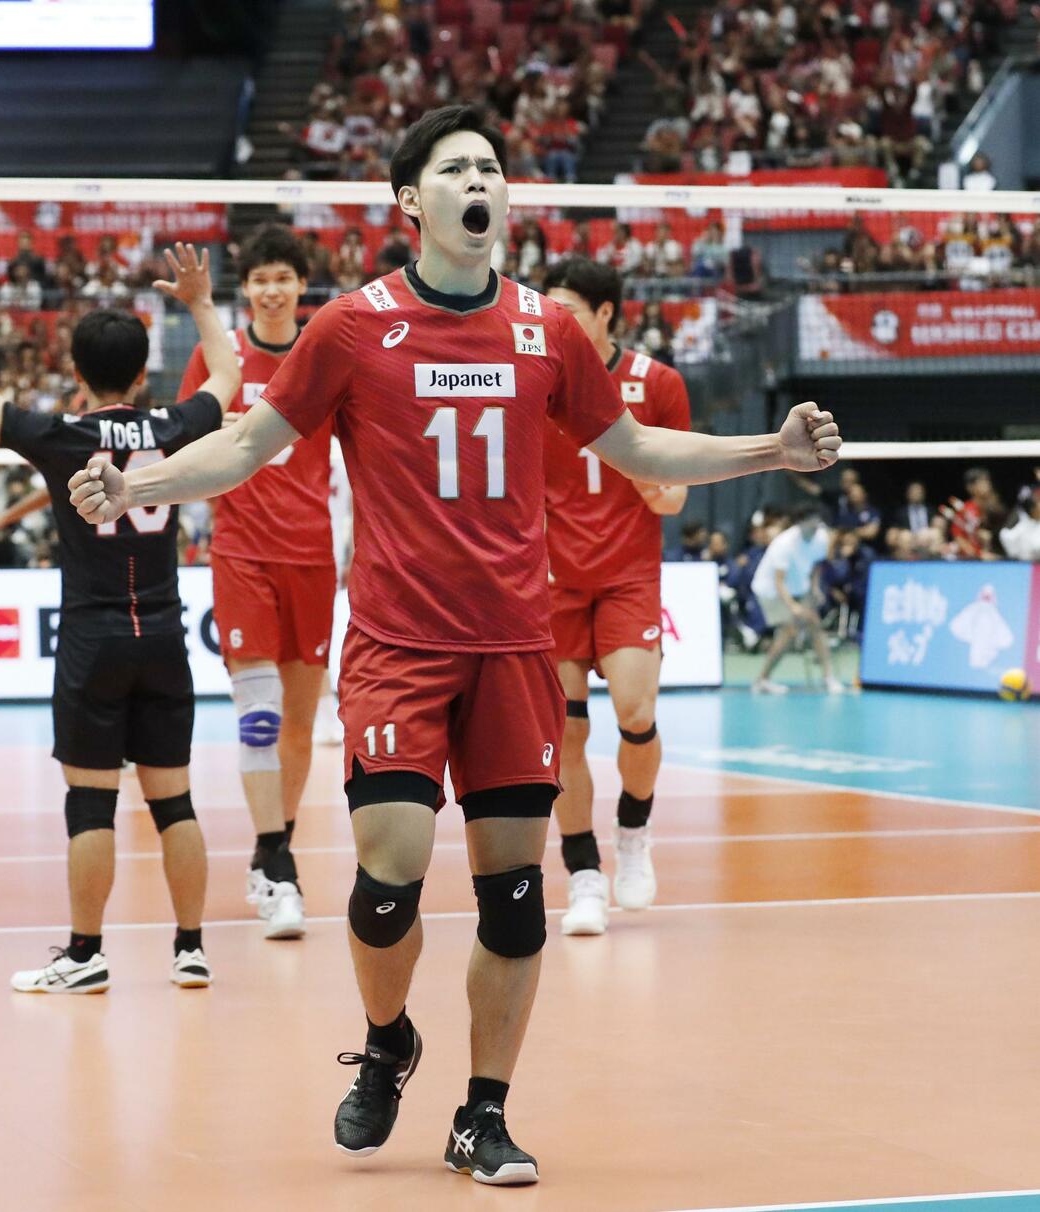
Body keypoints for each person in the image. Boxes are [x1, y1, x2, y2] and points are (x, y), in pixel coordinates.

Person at [67, 104, 842, 1185]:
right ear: (410, 201)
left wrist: (770, 446)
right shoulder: (351, 327)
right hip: (396, 644)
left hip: (515, 648)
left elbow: (634, 446)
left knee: (513, 895)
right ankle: (389, 1042)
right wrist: (134, 483)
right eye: (457, 167)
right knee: (385, 883)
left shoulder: (549, 330)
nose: (481, 179)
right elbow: (246, 445)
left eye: (491, 167)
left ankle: (483, 1113)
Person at [0, 241, 238, 994]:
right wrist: (200, 302)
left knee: (91, 801)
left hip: (93, 637)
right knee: (176, 801)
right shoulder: (171, 426)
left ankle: (86, 953)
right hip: (163, 633)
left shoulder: (62, 437)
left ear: (76, 374)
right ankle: (191, 948)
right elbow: (228, 378)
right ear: (142, 374)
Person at [177, 222, 335, 942]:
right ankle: (279, 869)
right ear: (247, 290)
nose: (272, 290)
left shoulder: (326, 353)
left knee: (301, 726)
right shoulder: (225, 357)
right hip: (242, 550)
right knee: (261, 718)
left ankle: (275, 846)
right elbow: (188, 434)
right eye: (261, 279)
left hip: (313, 556)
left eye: (284, 278)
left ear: (302, 287)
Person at [539, 257, 691, 938]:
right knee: (565, 729)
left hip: (628, 574)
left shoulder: (658, 383)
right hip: (552, 580)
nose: (551, 321)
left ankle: (633, 830)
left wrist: (661, 489)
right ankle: (583, 876)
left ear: (605, 313)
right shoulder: (533, 381)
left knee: (636, 710)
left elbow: (677, 487)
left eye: (565, 309)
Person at [750, 505, 841, 694]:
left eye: (818, 521)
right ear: (800, 523)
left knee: (815, 624)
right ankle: (762, 680)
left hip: (799, 586)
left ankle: (828, 677)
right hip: (771, 591)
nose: (816, 525)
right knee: (789, 631)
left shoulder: (821, 537)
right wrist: (793, 607)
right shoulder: (784, 544)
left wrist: (815, 587)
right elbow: (779, 581)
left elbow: (817, 564)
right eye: (811, 521)